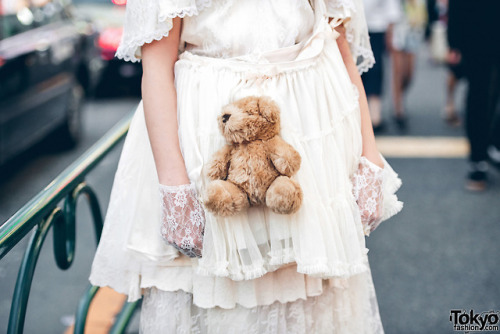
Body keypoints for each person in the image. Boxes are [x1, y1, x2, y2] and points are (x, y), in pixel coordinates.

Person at [89, 0, 403, 332]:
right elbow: (156, 67)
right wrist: (175, 189)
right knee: (225, 299)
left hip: (313, 140)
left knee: (313, 291)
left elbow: (336, 41)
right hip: (209, 139)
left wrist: (369, 155)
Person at [447, 0, 500, 191]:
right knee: (478, 96)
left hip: (477, 29)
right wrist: (454, 42)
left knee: (481, 97)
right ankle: (478, 159)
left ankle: (491, 145)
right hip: (475, 33)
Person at [362, 0, 402, 132]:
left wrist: (390, 30)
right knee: (366, 71)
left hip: (374, 27)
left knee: (374, 70)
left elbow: (391, 7)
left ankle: (374, 115)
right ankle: (370, 115)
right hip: (354, 27)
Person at [390, 0, 427, 130]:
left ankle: (400, 97)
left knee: (409, 74)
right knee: (398, 71)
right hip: (397, 27)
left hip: (414, 28)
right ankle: (398, 108)